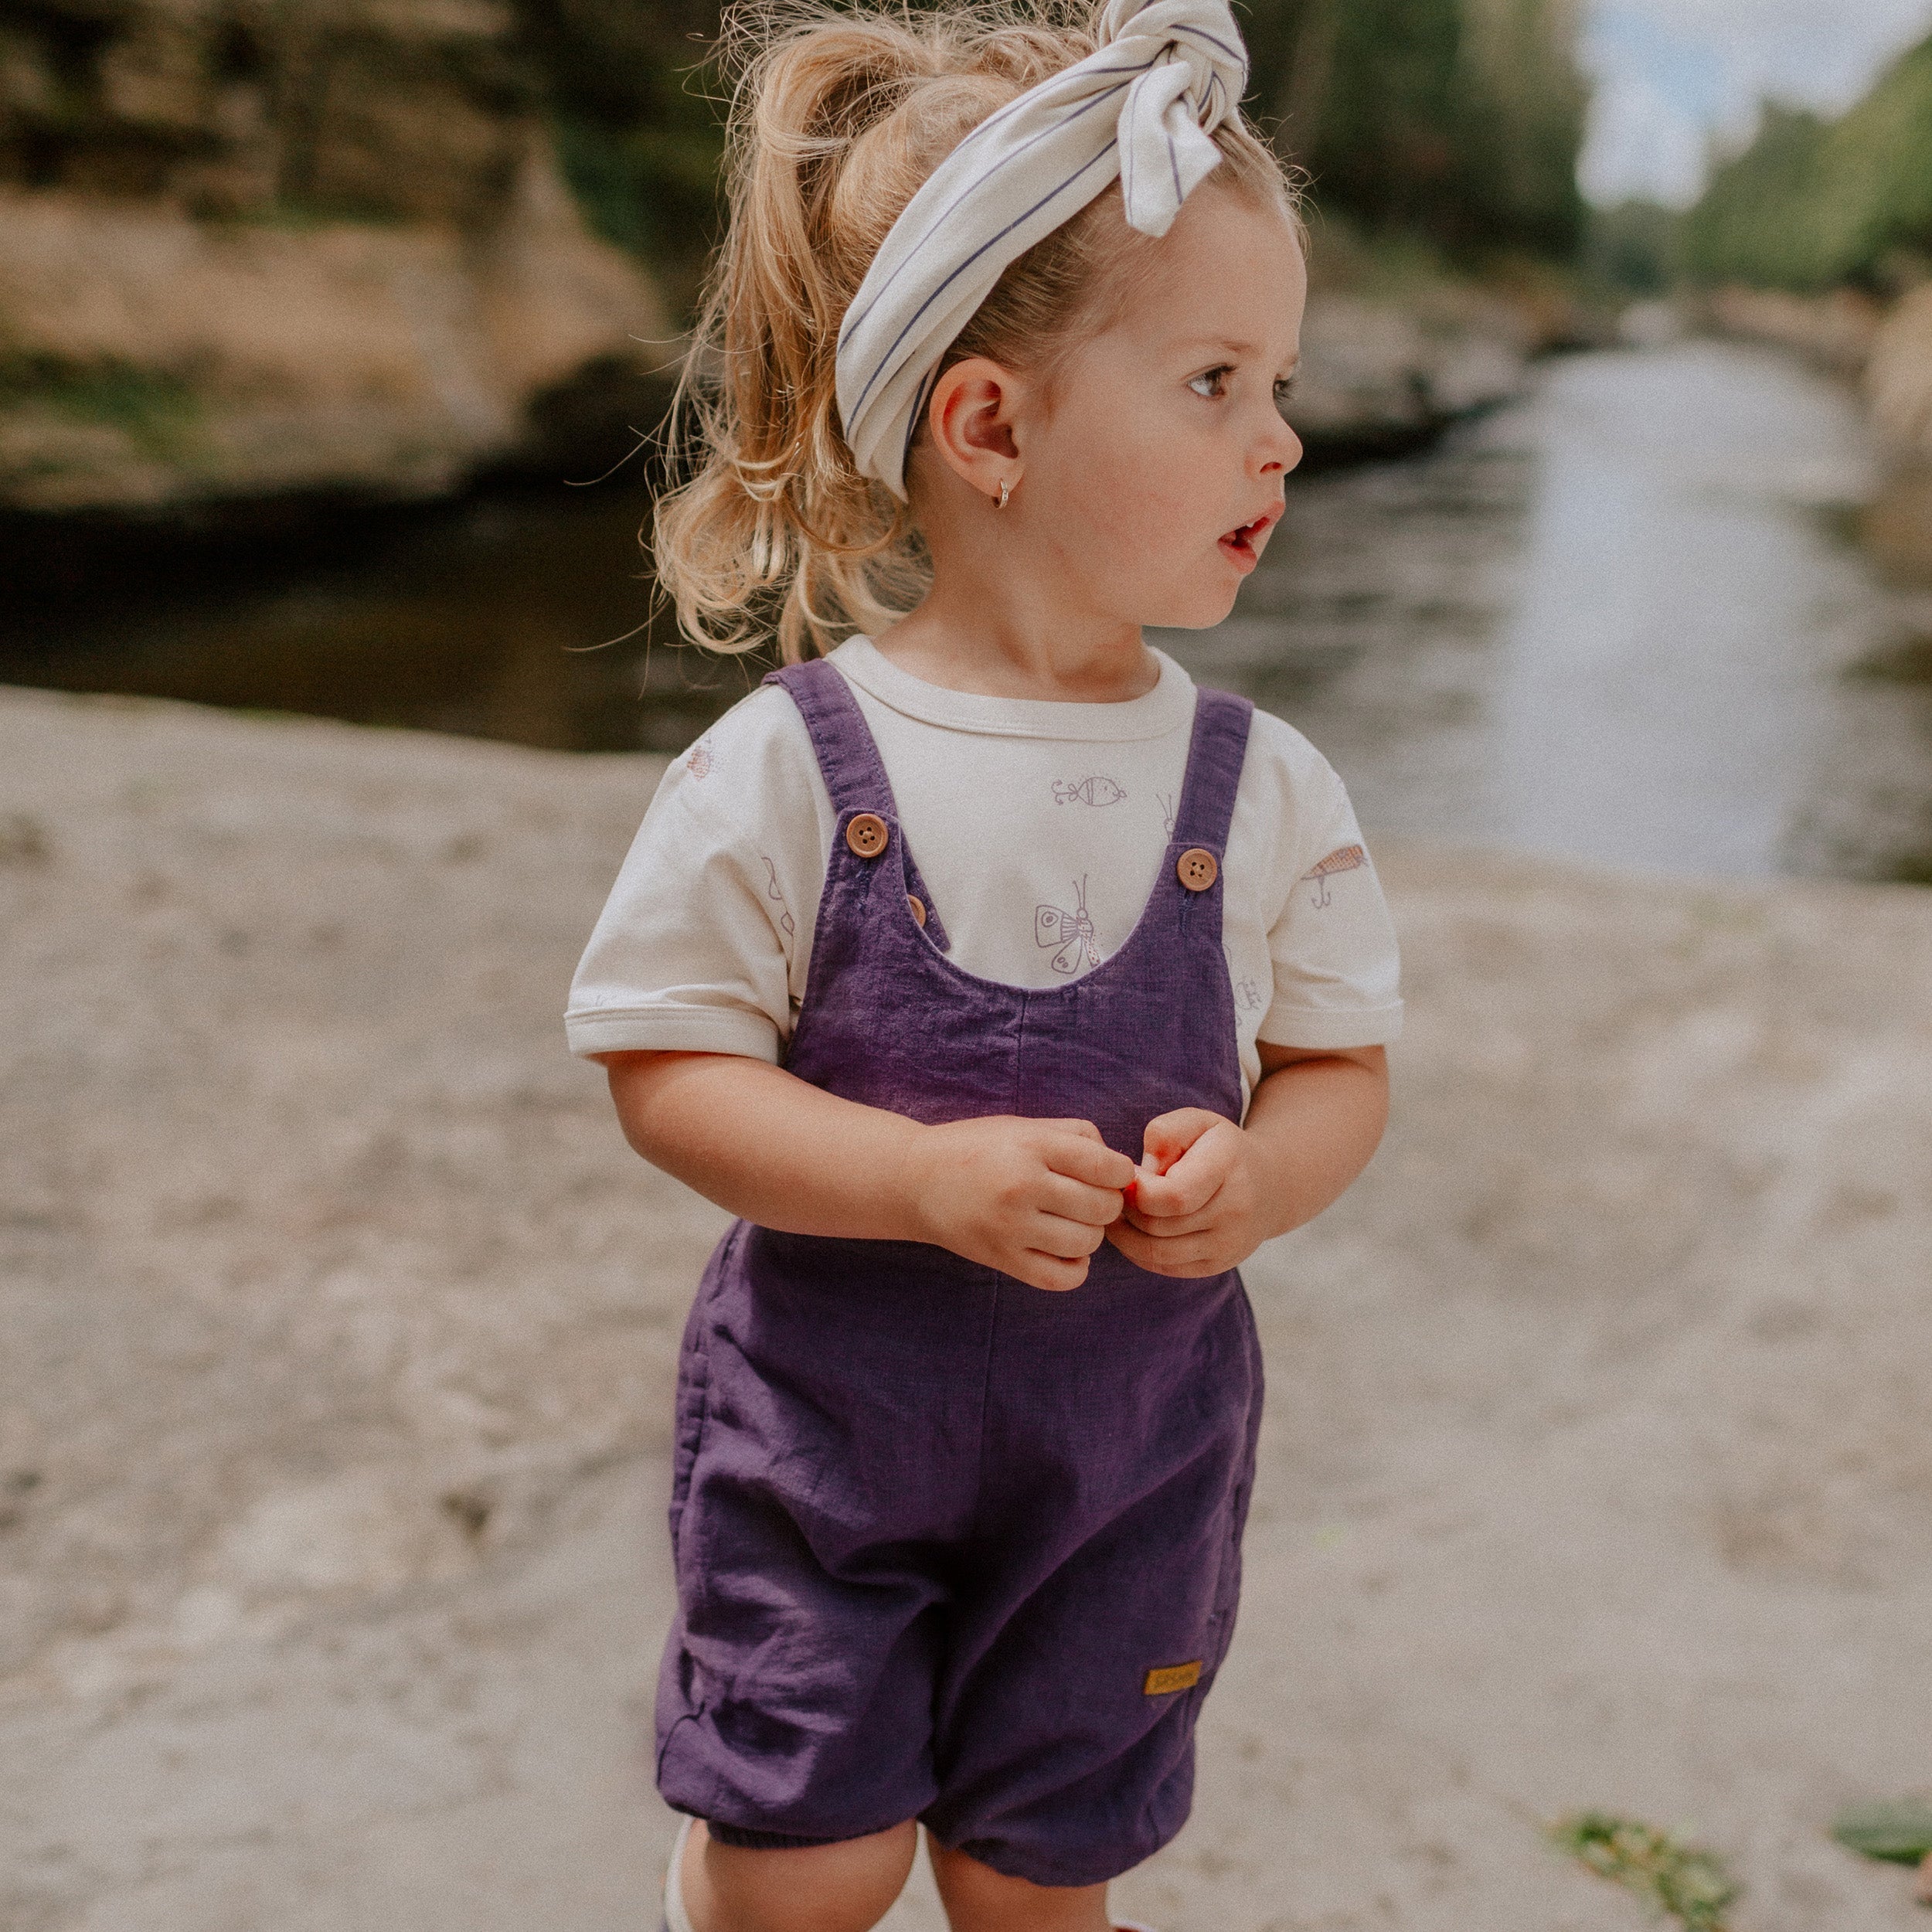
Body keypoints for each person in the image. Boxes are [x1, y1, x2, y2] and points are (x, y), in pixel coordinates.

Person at [566, 0, 1403, 1924]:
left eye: (1278, 377)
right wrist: (911, 1177)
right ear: (991, 425)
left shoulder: (1260, 784)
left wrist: (1264, 1174)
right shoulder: (787, 759)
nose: (1278, 434)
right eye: (1213, 379)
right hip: (826, 1451)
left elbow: (1340, 1064)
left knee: (1039, 1874)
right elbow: (666, 1069)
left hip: (1125, 1466)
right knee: (810, 1862)